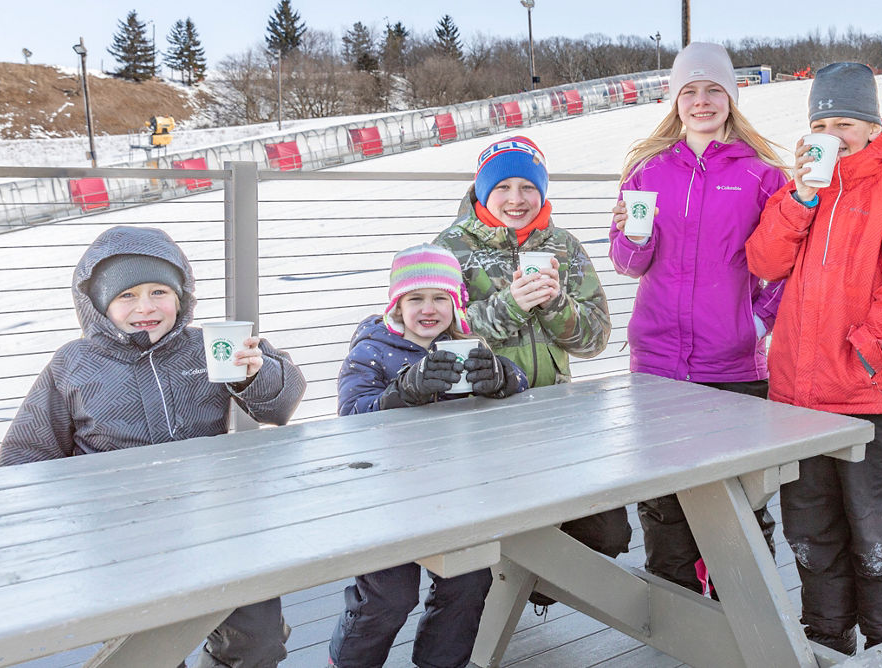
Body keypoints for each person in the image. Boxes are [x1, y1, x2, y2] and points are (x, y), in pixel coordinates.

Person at [0, 225, 307, 668]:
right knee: (150, 652)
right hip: (124, 543)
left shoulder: (209, 346)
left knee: (257, 640)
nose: (145, 307)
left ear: (182, 296)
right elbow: (25, 455)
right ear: (98, 304)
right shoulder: (73, 363)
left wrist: (257, 375)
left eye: (159, 291)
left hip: (217, 525)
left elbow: (280, 406)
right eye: (126, 296)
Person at [745, 62, 882, 654]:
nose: (833, 134)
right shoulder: (802, 189)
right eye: (823, 122)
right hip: (794, 402)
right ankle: (828, 644)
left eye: (846, 122)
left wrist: (865, 356)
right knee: (812, 534)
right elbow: (763, 261)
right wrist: (802, 198)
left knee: (879, 537)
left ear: (871, 125)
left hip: (866, 401)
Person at [608, 41, 789, 597]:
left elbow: (787, 265)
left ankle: (746, 606)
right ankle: (674, 612)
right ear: (675, 100)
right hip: (658, 362)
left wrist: (755, 325)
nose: (702, 101)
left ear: (732, 98)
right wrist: (633, 236)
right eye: (690, 91)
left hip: (731, 362)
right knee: (663, 499)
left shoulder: (762, 176)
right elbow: (627, 262)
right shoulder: (647, 171)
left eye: (714, 90)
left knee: (738, 496)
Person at [433, 136, 632, 603]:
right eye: (503, 186)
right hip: (480, 422)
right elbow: (436, 341)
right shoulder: (450, 248)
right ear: (483, 191)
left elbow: (596, 337)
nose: (517, 199)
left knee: (609, 532)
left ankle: (533, 585)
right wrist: (510, 307)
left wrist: (555, 304)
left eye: (528, 186)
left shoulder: (562, 245)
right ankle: (493, 602)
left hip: (555, 416)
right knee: (483, 548)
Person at [330, 243, 528, 668]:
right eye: (415, 298)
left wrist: (499, 377)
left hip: (453, 494)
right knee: (387, 598)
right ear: (396, 305)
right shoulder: (372, 349)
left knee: (468, 584)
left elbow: (520, 381)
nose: (428, 309)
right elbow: (350, 413)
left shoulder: (464, 343)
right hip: (388, 498)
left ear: (456, 303)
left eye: (440, 298)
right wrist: (403, 391)